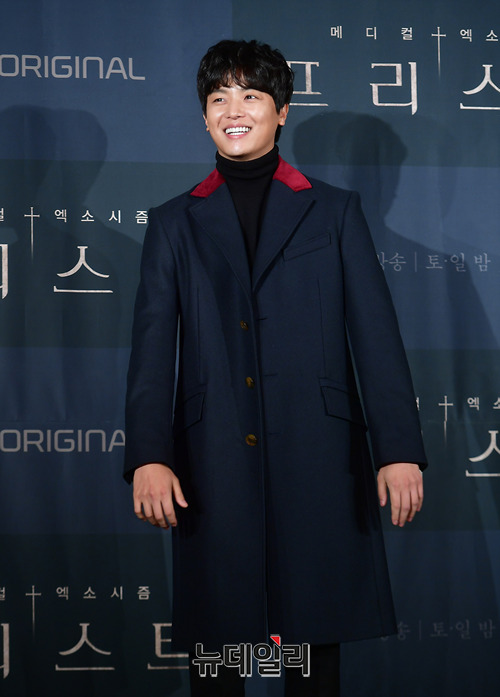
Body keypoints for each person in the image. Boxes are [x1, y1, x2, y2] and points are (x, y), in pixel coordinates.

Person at [124, 39, 427, 697]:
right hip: (211, 458)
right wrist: (149, 455)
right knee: (220, 652)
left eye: (251, 95)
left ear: (281, 110)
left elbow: (376, 335)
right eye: (218, 98)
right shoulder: (174, 222)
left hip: (319, 454)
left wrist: (399, 449)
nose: (234, 110)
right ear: (205, 115)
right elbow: (152, 347)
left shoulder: (334, 210)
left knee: (312, 654)